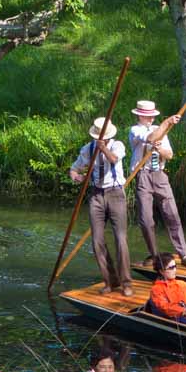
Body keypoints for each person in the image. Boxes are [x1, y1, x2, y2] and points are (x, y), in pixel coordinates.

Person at [128, 100, 186, 268]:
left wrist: (159, 149)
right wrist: (167, 122)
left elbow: (170, 155)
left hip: (160, 175)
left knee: (172, 214)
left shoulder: (163, 131)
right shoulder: (135, 130)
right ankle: (154, 255)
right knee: (146, 219)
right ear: (139, 116)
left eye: (152, 116)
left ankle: (184, 254)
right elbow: (151, 138)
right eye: (147, 116)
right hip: (142, 175)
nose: (150, 119)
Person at [69, 117, 133, 297]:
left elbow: (113, 159)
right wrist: (76, 176)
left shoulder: (117, 145)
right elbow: (74, 168)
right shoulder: (87, 149)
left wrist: (103, 148)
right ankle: (110, 281)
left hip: (115, 194)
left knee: (121, 239)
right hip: (96, 195)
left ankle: (126, 282)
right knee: (97, 240)